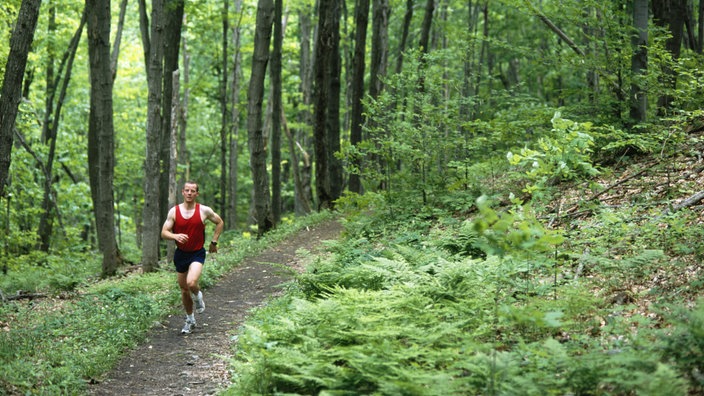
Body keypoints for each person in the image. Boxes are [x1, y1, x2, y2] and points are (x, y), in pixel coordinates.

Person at [161, 181, 224, 334]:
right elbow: (164, 232)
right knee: (183, 290)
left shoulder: (204, 210)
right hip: (181, 254)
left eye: (193, 191)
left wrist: (214, 241)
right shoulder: (174, 212)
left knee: (191, 282)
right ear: (182, 192)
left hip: (197, 252)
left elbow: (219, 222)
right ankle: (190, 320)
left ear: (197, 194)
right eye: (187, 190)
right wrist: (175, 235)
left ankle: (198, 295)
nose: (189, 193)